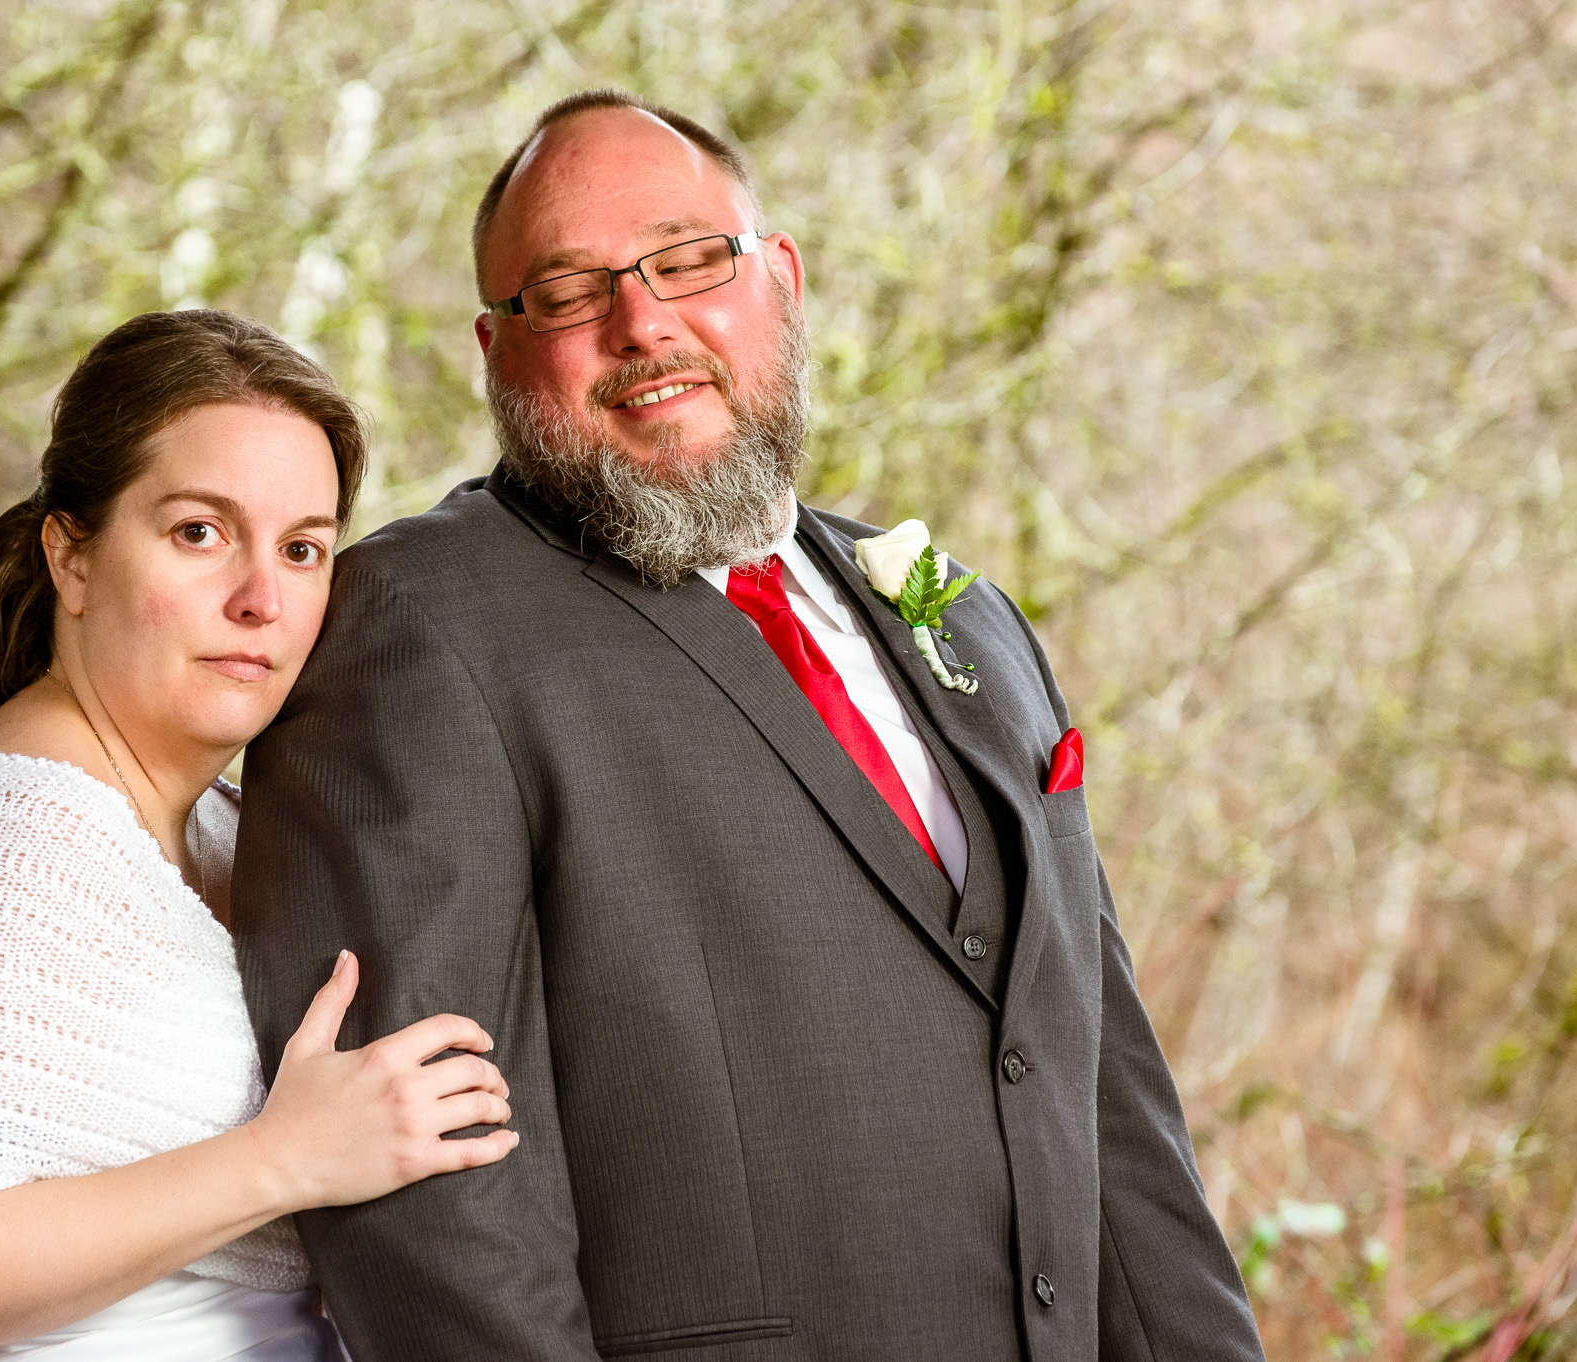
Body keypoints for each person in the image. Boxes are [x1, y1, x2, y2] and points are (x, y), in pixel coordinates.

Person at [229, 91, 1266, 1360]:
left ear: (776, 276)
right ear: (496, 352)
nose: (642, 322)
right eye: (566, 292)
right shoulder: (413, 627)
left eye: (687, 260)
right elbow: (429, 1197)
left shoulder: (968, 617)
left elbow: (1104, 1094)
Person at [0, 310, 516, 1362]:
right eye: (199, 533)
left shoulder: (214, 825)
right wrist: (287, 1159)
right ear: (71, 556)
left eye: (302, 549)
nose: (261, 599)